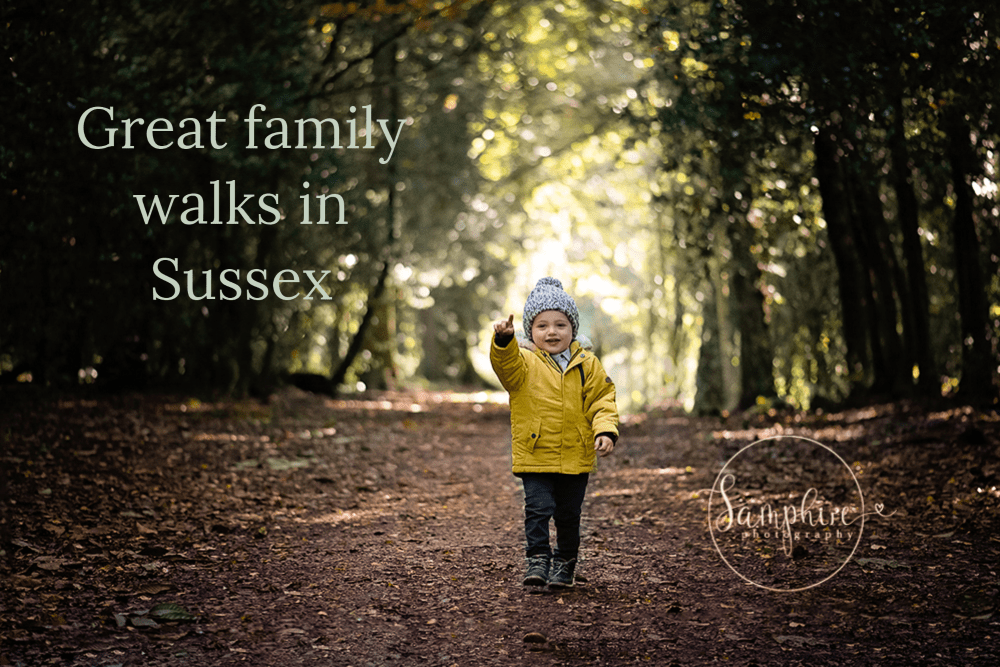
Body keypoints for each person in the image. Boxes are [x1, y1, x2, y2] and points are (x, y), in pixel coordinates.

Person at [490, 277, 619, 589]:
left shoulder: (588, 363)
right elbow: (505, 368)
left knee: (568, 514)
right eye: (542, 325)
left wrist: (605, 430)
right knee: (537, 509)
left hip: (576, 452)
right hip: (535, 451)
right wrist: (504, 343)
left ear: (572, 328)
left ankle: (565, 563)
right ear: (530, 331)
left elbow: (602, 400)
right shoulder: (524, 362)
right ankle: (537, 558)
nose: (551, 332)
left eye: (560, 325)